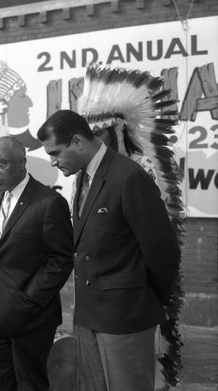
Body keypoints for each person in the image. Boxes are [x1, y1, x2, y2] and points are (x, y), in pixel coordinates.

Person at [37, 109, 180, 391]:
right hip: (89, 313)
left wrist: (148, 300)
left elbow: (162, 250)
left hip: (125, 316)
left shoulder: (128, 176)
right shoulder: (83, 178)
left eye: (56, 153)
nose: (53, 162)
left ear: (78, 141)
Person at [76, 63, 185, 389]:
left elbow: (158, 244)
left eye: (100, 133)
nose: (94, 141)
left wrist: (152, 296)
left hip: (132, 299)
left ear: (116, 131)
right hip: (97, 303)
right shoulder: (85, 175)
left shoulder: (139, 170)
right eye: (89, 134)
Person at [0, 136, 74, 391]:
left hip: (31, 318)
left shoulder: (48, 202)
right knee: (0, 385)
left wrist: (29, 299)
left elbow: (61, 260)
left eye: (0, 163)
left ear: (22, 163)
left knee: (30, 385)